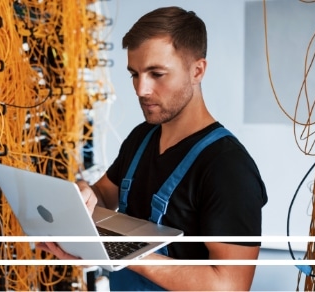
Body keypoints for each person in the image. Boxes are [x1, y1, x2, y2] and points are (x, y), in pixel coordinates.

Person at [39, 6, 268, 291]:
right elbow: (102, 196)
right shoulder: (142, 137)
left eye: (156, 74)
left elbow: (229, 286)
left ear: (197, 70)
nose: (140, 89)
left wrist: (122, 252)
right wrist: (82, 196)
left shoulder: (227, 168)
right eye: (134, 74)